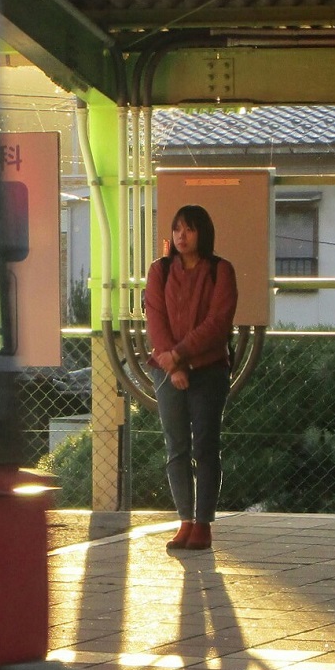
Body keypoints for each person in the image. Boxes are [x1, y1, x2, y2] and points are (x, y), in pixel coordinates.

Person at [144, 204, 238, 552]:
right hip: (167, 370)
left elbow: (218, 323)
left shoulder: (220, 270)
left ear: (204, 233)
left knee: (206, 447)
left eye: (190, 229)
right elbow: (155, 319)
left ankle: (203, 523)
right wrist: (173, 366)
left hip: (209, 370)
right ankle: (185, 519)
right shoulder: (160, 270)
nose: (181, 236)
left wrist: (180, 355)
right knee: (176, 447)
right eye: (177, 229)